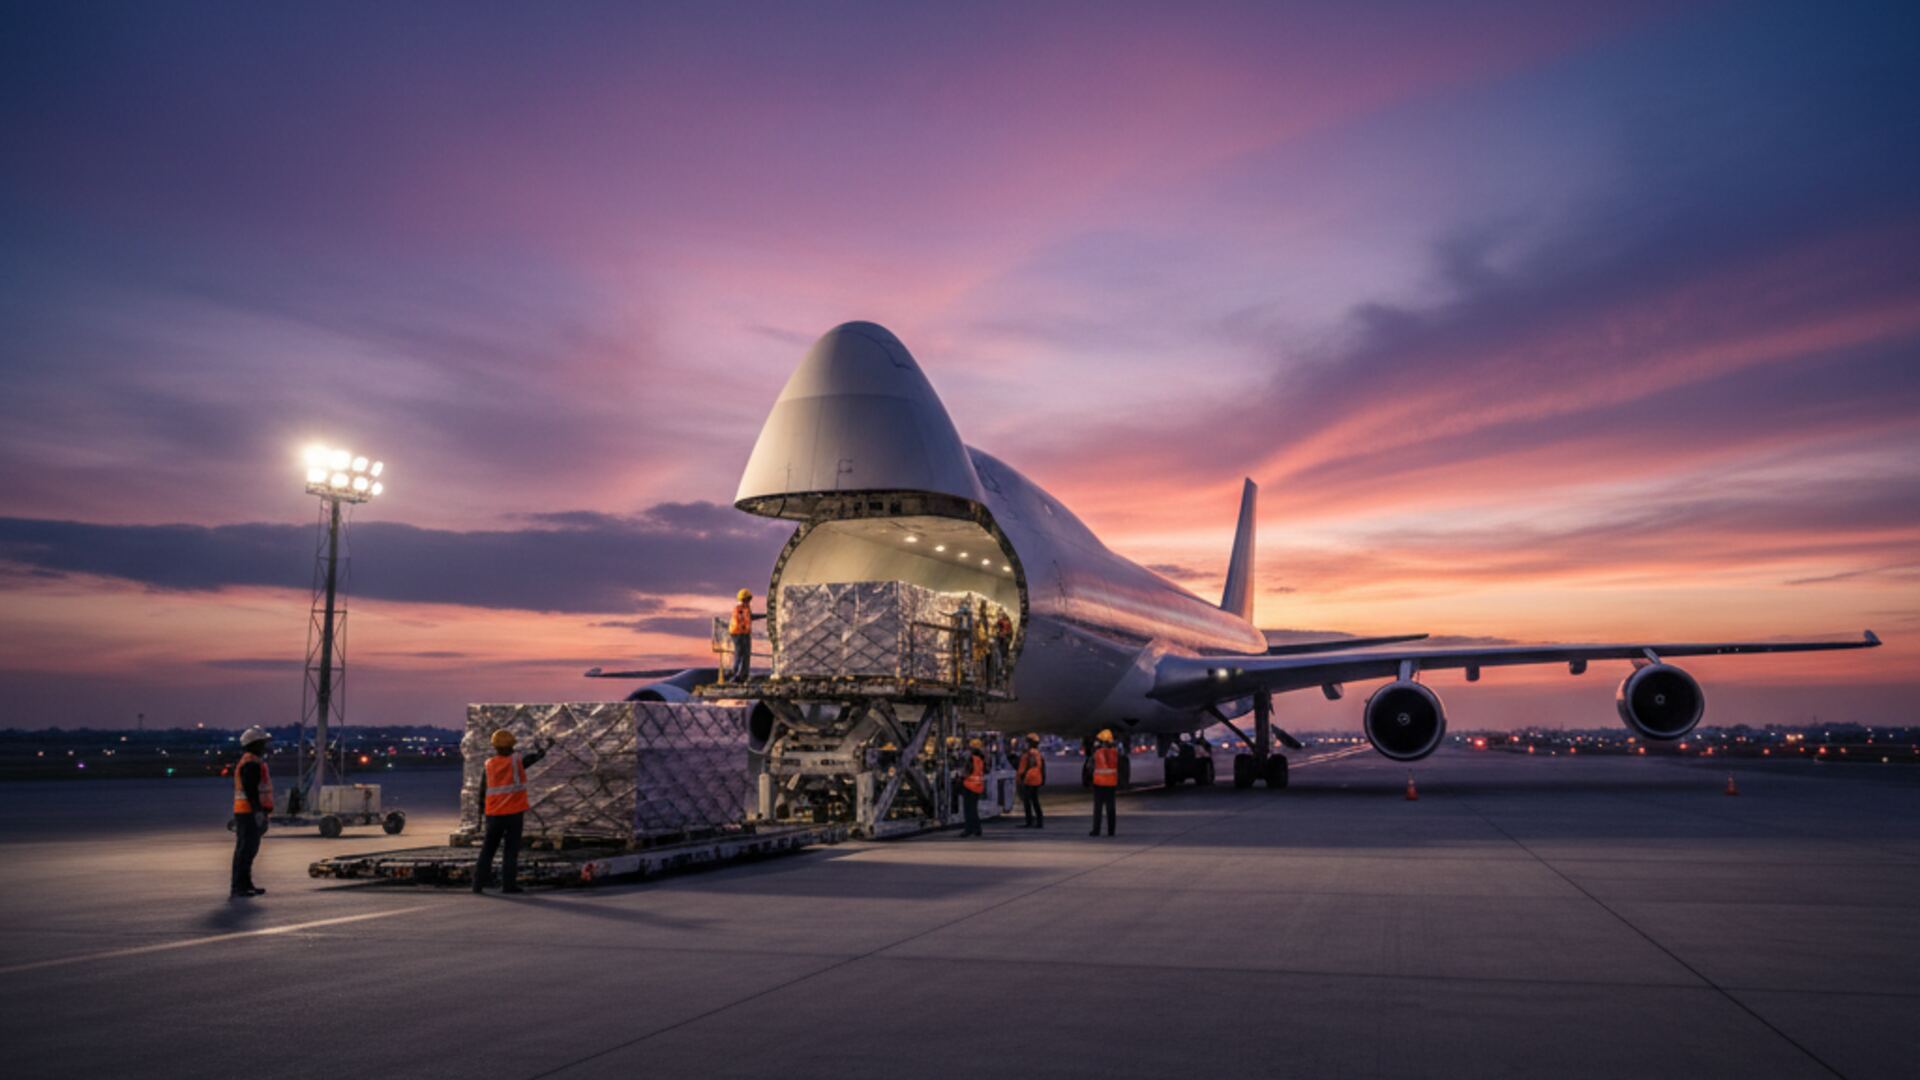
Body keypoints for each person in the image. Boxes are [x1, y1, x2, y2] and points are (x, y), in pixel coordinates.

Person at [473, 729, 550, 894]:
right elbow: (533, 759)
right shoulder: (516, 761)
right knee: (510, 851)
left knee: (488, 850)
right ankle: (508, 886)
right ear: (510, 746)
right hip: (513, 814)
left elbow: (482, 792)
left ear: (495, 747)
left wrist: (480, 817)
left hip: (493, 815)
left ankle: (477, 885)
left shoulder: (489, 765)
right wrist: (545, 749)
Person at [230, 726, 274, 898]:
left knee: (248, 851)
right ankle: (239, 886)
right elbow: (251, 790)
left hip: (247, 812)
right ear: (254, 744)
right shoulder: (251, 763)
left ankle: (245, 884)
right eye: (262, 743)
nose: (265, 746)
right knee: (245, 851)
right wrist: (258, 812)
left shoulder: (252, 761)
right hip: (248, 813)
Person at [1089, 729, 1119, 837]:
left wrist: (1095, 747)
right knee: (1111, 809)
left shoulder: (1098, 753)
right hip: (1111, 783)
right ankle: (1111, 831)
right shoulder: (1115, 753)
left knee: (1098, 809)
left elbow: (1091, 765)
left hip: (1100, 784)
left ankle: (1096, 830)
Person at [959, 737, 987, 837]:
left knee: (968, 809)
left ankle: (968, 830)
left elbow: (967, 771)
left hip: (969, 785)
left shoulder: (971, 758)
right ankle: (977, 829)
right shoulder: (981, 759)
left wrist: (961, 775)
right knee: (973, 809)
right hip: (978, 786)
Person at [1017, 733, 1045, 828]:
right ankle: (1039, 822)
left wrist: (1022, 776)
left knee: (1028, 801)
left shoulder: (1031, 753)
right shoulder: (1037, 753)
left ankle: (1030, 822)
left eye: (1028, 741)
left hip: (1029, 779)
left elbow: (1030, 765)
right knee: (1034, 801)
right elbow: (1042, 768)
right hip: (1035, 779)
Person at [728, 588, 755, 683]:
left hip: (745, 634)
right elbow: (740, 621)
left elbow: (750, 618)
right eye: (747, 599)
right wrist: (744, 632)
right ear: (743, 599)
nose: (748, 601)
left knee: (746, 655)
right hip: (738, 634)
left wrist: (765, 616)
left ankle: (743, 675)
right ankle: (733, 675)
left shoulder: (746, 608)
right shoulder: (739, 609)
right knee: (739, 654)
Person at [991, 611, 1014, 690]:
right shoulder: (1004, 623)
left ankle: (1000, 681)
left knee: (1000, 663)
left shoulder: (1006, 623)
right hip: (1002, 647)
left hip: (1003, 649)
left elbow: (1005, 634)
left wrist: (1000, 635)